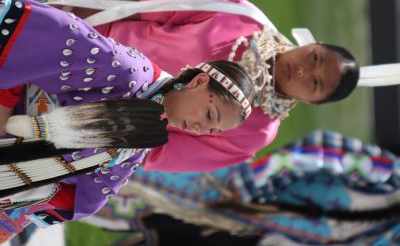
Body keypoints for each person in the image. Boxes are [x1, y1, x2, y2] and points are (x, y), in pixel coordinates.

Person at [3, 0, 360, 173]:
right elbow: (140, 8)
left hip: (87, 115)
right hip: (77, 45)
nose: (303, 70)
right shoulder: (242, 16)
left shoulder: (255, 131)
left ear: (312, 102)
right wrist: (64, 14)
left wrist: (86, 141)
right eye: (315, 58)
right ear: (313, 44)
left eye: (315, 83)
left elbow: (158, 153)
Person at [0, 0, 254, 240]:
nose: (199, 129)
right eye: (209, 115)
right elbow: (43, 40)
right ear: (199, 81)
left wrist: (18, 208)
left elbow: (88, 198)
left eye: (211, 130)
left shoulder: (142, 137)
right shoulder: (128, 73)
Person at [78, 130, 400, 245]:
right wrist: (252, 184)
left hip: (239, 226)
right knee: (131, 171)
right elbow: (316, 151)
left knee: (136, 216)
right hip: (230, 185)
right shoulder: (389, 176)